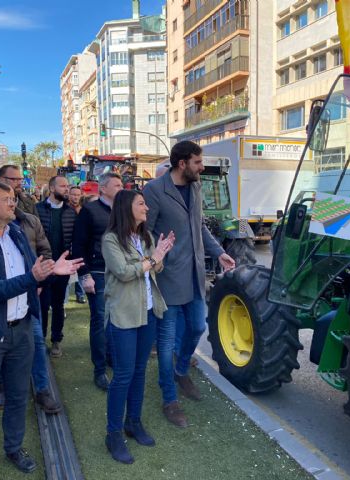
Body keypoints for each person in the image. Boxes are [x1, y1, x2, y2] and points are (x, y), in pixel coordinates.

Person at [0, 180, 82, 479]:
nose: (14, 203)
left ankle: (14, 448)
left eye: (13, 198)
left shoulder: (15, 234)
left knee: (17, 397)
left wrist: (49, 272)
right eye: (7, 199)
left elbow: (30, 275)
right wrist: (32, 277)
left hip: (22, 329)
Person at [143, 140, 236, 427]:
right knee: (167, 341)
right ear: (182, 163)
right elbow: (144, 232)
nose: (201, 166)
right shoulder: (154, 190)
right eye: (197, 161)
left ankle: (181, 370)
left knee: (198, 326)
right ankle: (170, 400)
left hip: (195, 276)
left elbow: (200, 227)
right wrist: (153, 259)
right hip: (168, 277)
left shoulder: (195, 187)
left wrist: (219, 252)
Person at [102, 190, 174, 464]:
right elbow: (123, 272)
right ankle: (113, 434)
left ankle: (134, 422)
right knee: (123, 375)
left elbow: (155, 269)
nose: (146, 208)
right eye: (141, 204)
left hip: (148, 312)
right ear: (126, 208)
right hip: (123, 314)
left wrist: (160, 253)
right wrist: (153, 259)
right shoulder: (111, 239)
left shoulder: (145, 237)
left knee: (140, 371)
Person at [0, 170, 61, 414]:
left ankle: (42, 389)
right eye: (12, 181)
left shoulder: (29, 220)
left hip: (30, 294)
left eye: (18, 182)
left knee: (36, 342)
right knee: (1, 346)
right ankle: (3, 386)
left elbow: (45, 249)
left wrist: (42, 275)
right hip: (0, 299)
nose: (17, 186)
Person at [71, 172, 124, 391]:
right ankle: (99, 370)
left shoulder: (123, 211)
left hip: (121, 274)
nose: (122, 187)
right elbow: (79, 245)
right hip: (98, 273)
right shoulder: (89, 212)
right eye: (117, 184)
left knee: (117, 320)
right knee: (100, 321)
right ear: (103, 188)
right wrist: (84, 275)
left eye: (122, 184)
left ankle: (112, 357)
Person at [36, 175, 77, 358]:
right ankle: (41, 340)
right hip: (43, 267)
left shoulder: (70, 212)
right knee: (43, 305)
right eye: (63, 186)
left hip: (63, 267)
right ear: (52, 189)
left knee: (58, 305)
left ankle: (56, 340)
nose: (66, 189)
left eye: (67, 186)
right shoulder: (37, 210)